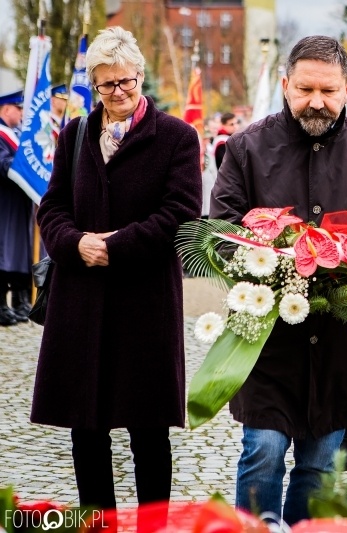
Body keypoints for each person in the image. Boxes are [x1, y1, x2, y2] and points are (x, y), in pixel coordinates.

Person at [210, 35, 347, 525]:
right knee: (262, 449)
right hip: (265, 336)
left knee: (320, 463)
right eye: (304, 89)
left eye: (328, 90)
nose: (316, 101)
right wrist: (273, 257)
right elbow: (219, 233)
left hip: (342, 337)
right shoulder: (246, 147)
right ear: (285, 84)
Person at [31, 26, 202, 517]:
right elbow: (53, 206)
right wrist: (76, 243)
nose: (119, 93)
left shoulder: (176, 137)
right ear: (94, 86)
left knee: (147, 430)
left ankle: (152, 527)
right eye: (106, 85)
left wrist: (117, 247)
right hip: (80, 301)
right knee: (87, 427)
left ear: (141, 77)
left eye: (126, 82)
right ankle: (97, 525)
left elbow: (182, 213)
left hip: (144, 302)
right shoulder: (76, 133)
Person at [0, 89, 28, 327]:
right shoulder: (1, 134)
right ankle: (1, 305)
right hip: (4, 201)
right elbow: (3, 163)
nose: (21, 112)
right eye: (18, 108)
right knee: (2, 252)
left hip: (18, 202)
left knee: (16, 252)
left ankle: (19, 301)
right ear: (5, 109)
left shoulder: (16, 133)